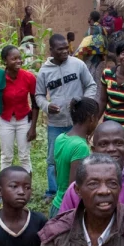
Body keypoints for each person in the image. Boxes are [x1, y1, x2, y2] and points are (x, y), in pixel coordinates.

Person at [34, 34, 98, 201]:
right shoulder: (44, 71)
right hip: (56, 122)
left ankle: (78, 188)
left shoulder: (78, 64)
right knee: (53, 158)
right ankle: (53, 191)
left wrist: (84, 101)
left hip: (77, 122)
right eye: (60, 49)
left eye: (66, 48)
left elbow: (91, 85)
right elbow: (39, 95)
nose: (64, 51)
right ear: (51, 50)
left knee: (79, 155)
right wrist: (47, 106)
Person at [0, 45, 38, 176]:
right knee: (6, 157)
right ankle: (5, 188)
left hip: (24, 120)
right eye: (13, 58)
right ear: (5, 61)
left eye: (19, 58)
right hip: (5, 120)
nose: (18, 61)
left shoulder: (28, 77)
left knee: (24, 156)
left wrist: (33, 127)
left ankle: (27, 187)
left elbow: (35, 103)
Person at [50, 98, 98, 218]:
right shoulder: (80, 146)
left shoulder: (60, 138)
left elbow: (57, 172)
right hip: (69, 210)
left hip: (57, 203)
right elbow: (74, 187)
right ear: (91, 118)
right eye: (97, 118)